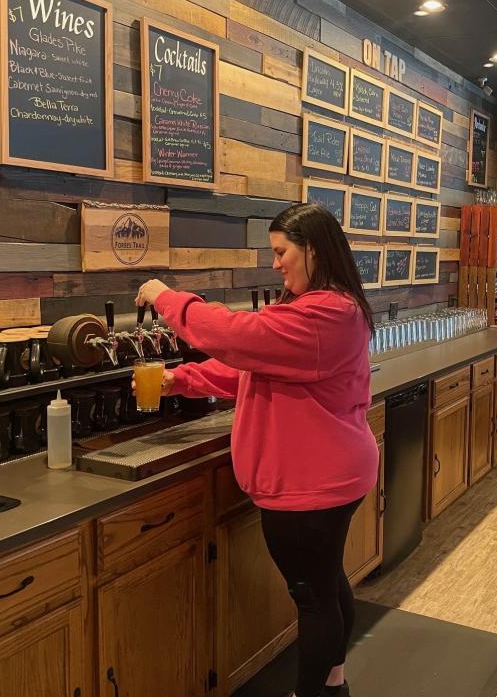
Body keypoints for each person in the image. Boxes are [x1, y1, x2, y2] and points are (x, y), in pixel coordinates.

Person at [135, 204, 378, 697]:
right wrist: (181, 379)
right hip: (328, 476)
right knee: (326, 585)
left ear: (312, 249)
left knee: (312, 597)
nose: (275, 264)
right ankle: (334, 683)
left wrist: (169, 299)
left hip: (310, 484)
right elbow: (252, 366)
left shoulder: (327, 313)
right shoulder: (323, 309)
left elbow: (234, 336)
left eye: (281, 252)